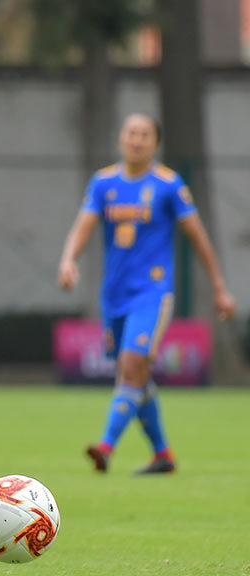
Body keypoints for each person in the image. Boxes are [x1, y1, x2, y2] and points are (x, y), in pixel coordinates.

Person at [57, 113, 236, 475]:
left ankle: (106, 445)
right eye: (131, 133)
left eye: (145, 134)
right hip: (115, 294)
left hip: (153, 292)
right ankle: (163, 455)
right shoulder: (104, 183)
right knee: (136, 374)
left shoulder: (168, 185)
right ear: (122, 138)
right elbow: (84, 225)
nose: (137, 140)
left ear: (155, 143)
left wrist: (219, 286)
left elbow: (198, 237)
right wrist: (68, 260)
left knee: (133, 363)